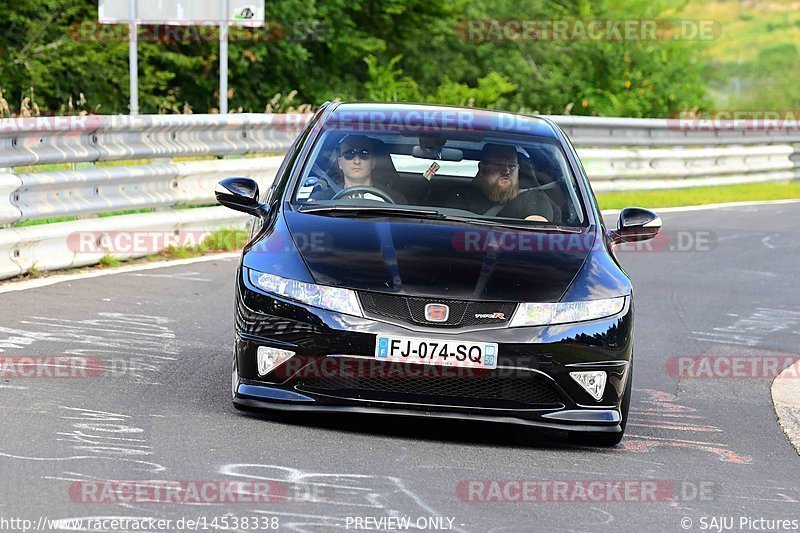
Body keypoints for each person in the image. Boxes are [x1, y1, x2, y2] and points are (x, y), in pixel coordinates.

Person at [446, 143, 554, 221]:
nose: (506, 171)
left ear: (518, 168)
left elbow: (536, 237)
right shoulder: (457, 197)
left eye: (511, 166)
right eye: (499, 165)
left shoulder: (533, 199)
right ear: (482, 168)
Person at [307, 135, 407, 203]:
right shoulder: (321, 201)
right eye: (349, 154)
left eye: (364, 154)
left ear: (373, 162)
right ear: (340, 163)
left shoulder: (396, 201)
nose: (357, 161)